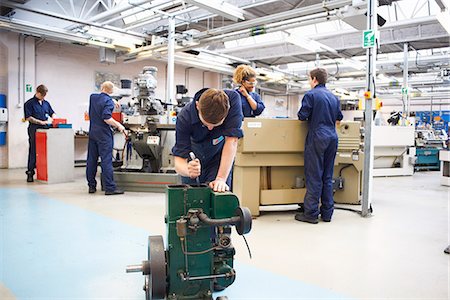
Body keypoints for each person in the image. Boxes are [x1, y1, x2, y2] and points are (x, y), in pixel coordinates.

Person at [295, 68, 343, 224]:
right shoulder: (334, 97)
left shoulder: (311, 95)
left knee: (314, 176)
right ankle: (327, 213)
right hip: (332, 137)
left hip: (317, 137)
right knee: (327, 177)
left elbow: (302, 116)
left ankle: (311, 214)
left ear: (314, 79)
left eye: (309, 79)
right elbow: (339, 117)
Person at [172, 88, 243, 192]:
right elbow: (178, 162)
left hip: (219, 157)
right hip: (193, 157)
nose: (210, 128)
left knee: (219, 194)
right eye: (206, 123)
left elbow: (232, 141)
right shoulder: (184, 117)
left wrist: (221, 178)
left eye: (215, 125)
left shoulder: (232, 99)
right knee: (191, 198)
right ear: (197, 106)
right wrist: (188, 170)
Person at [86, 81, 126, 195]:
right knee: (106, 160)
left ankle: (91, 186)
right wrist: (119, 125)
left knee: (91, 160)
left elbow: (101, 98)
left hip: (93, 132)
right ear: (111, 91)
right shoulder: (108, 102)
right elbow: (106, 118)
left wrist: (111, 100)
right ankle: (110, 188)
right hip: (103, 134)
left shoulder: (92, 97)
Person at [24, 84, 56, 182]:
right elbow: (29, 117)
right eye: (42, 95)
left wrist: (54, 118)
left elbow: (52, 112)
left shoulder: (46, 103)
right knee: (34, 150)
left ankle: (44, 172)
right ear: (37, 93)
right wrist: (40, 122)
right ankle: (30, 172)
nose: (43, 97)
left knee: (45, 151)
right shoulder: (29, 103)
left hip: (45, 129)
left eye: (45, 96)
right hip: (34, 129)